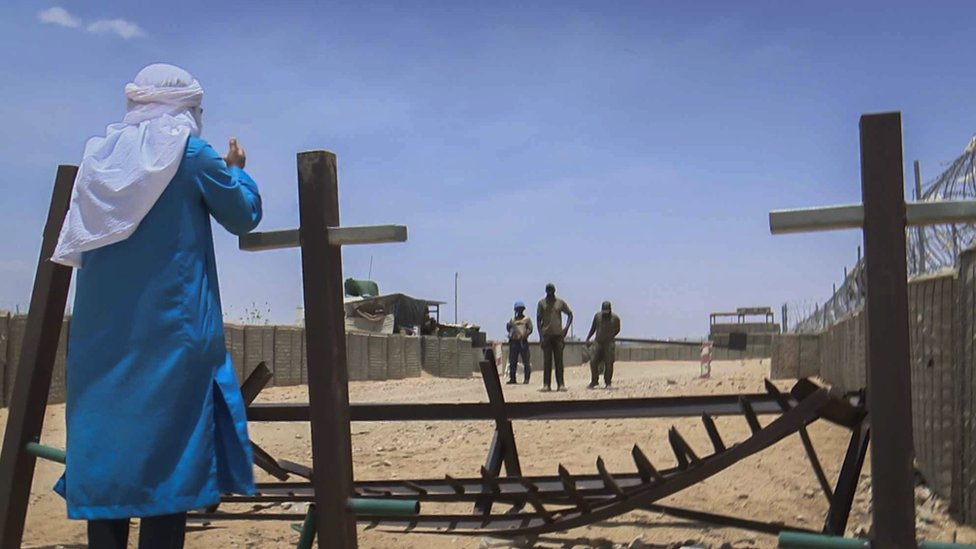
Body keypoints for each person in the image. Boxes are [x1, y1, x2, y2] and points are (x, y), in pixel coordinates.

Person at [50, 64, 261, 549]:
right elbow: (242, 215)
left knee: (109, 461)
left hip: (100, 344)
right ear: (186, 108)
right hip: (173, 337)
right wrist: (237, 172)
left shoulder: (98, 159)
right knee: (169, 464)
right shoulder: (189, 155)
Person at [536, 283, 573, 391]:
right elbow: (538, 320)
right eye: (548, 291)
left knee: (559, 362)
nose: (550, 293)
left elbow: (570, 314)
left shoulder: (560, 303)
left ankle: (561, 384)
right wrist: (540, 336)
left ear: (554, 291)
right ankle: (546, 384)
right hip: (546, 335)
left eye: (551, 290)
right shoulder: (542, 303)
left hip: (558, 336)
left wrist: (565, 328)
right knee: (547, 362)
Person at [586, 301, 621, 388]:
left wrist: (611, 335)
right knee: (593, 361)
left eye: (607, 312)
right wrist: (588, 338)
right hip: (598, 342)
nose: (605, 314)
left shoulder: (615, 318)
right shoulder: (597, 316)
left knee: (609, 363)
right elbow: (593, 328)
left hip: (609, 343)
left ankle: (608, 382)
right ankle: (594, 381)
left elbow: (617, 329)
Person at [505, 301, 533, 384]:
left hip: (523, 342)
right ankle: (512, 378)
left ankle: (526, 379)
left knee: (526, 361)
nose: (519, 311)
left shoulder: (527, 319)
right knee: (512, 361)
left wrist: (525, 335)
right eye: (518, 309)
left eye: (521, 309)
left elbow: (530, 329)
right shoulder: (512, 320)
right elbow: (509, 328)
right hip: (514, 342)